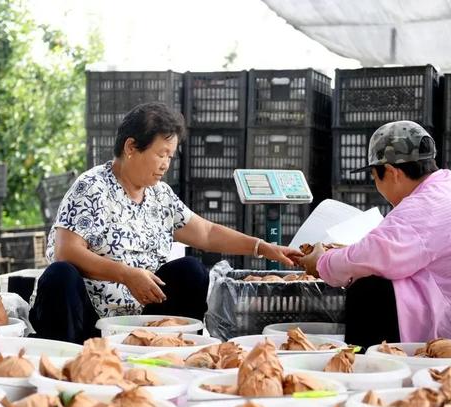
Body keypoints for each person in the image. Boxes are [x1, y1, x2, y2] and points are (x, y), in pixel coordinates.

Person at [30, 102, 302, 344]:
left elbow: (206, 233)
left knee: (191, 270)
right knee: (60, 275)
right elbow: (66, 251)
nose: (166, 165)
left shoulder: (159, 195)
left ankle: (169, 348)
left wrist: (263, 247)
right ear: (131, 148)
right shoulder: (92, 187)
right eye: (161, 154)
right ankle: (70, 358)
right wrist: (126, 275)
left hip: (138, 322)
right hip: (86, 320)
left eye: (170, 156)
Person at [298, 121, 451, 349]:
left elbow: (377, 255)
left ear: (393, 173)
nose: (376, 185)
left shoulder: (428, 204)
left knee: (369, 291)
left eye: (375, 177)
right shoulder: (449, 193)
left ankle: (368, 372)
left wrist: (321, 262)